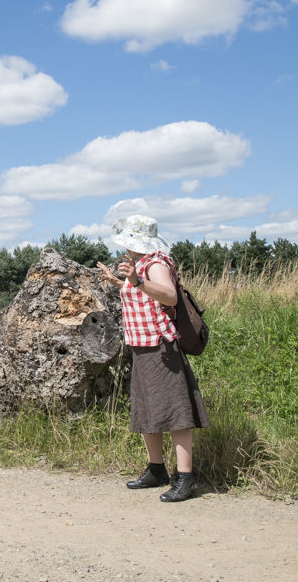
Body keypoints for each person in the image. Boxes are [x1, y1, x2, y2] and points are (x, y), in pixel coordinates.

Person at [97, 214, 209, 503]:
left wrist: (136, 280)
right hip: (143, 346)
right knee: (147, 410)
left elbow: (169, 296)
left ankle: (185, 477)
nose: (124, 246)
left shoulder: (155, 263)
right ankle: (156, 469)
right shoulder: (141, 263)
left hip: (161, 347)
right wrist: (118, 281)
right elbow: (142, 296)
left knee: (175, 411)